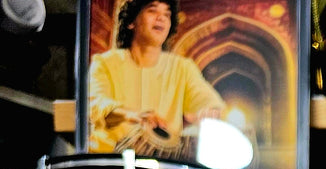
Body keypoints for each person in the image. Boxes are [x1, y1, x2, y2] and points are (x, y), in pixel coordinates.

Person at [88, 0, 224, 154]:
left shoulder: (182, 68)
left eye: (167, 14)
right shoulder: (105, 63)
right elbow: (95, 104)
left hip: (162, 165)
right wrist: (132, 115)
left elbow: (204, 99)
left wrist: (210, 110)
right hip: (108, 161)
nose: (161, 18)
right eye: (152, 11)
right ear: (132, 22)